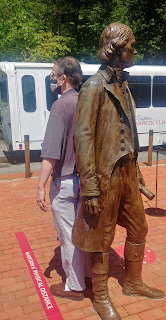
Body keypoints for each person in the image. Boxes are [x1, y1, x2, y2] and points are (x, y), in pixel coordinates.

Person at [72, 23, 165, 319]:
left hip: (126, 171)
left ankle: (134, 283)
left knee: (139, 227)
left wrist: (136, 174)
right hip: (104, 176)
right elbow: (83, 137)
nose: (135, 51)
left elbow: (129, 133)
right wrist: (89, 187)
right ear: (116, 50)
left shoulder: (123, 83)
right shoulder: (93, 86)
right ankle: (100, 296)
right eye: (131, 46)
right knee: (101, 236)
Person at [37, 56, 89, 301]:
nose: (51, 78)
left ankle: (74, 287)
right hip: (86, 182)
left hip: (65, 182)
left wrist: (40, 185)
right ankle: (86, 274)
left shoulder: (60, 106)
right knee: (82, 232)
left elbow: (51, 153)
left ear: (63, 78)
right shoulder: (86, 101)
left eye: (53, 74)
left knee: (68, 237)